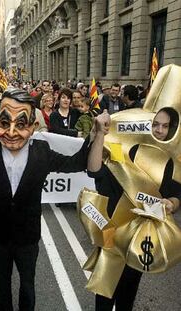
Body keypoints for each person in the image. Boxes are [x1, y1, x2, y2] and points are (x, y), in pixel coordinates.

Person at [0, 88, 110, 311]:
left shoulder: (42, 152)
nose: (12, 132)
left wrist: (97, 134)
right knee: (2, 285)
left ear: (32, 127)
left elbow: (77, 163)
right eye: (5, 123)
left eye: (21, 124)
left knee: (27, 285)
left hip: (27, 237)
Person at [87, 107, 180, 311]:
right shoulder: (126, 148)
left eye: (165, 126)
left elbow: (176, 193)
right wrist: (100, 135)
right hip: (112, 231)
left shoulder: (170, 162)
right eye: (155, 124)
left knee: (127, 294)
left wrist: (172, 203)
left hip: (140, 236)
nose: (159, 130)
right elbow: (95, 171)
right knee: (104, 294)